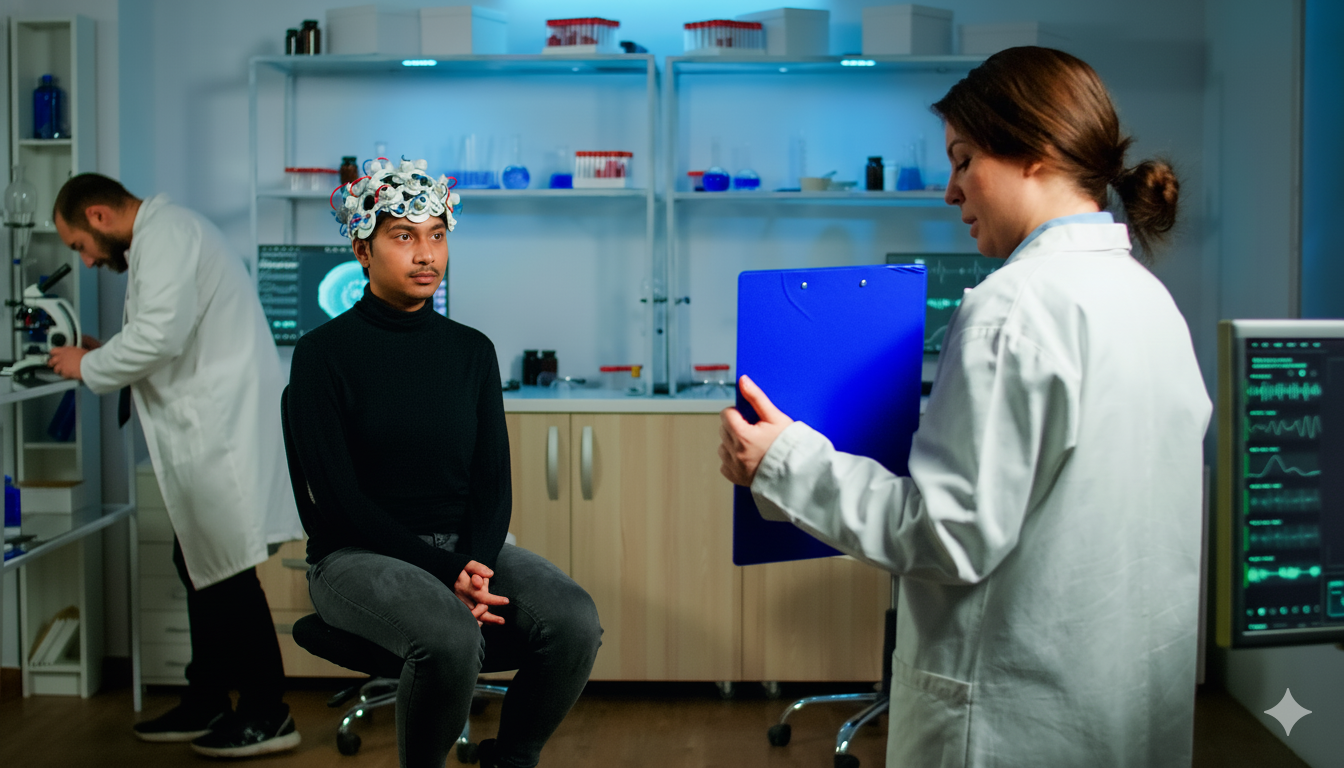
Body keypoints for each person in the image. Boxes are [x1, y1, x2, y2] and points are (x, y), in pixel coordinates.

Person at [719, 47, 1211, 767]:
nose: (950, 191)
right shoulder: (1150, 302)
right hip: (1119, 713)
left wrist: (783, 462)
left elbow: (948, 536)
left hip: (1012, 725)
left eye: (963, 159)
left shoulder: (1015, 306)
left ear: (1036, 152)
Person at [285, 158, 602, 768]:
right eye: (404, 236)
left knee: (573, 619)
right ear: (363, 248)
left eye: (437, 234)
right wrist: (445, 570)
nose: (426, 253)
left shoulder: (472, 352)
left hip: (463, 548)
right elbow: (341, 501)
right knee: (452, 637)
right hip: (355, 555)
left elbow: (492, 482)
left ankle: (512, 757)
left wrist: (474, 564)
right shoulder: (322, 357)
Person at [50, 174, 304, 757]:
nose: (85, 262)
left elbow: (158, 337)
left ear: (97, 216)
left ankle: (270, 711)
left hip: (220, 431)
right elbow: (160, 331)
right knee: (197, 559)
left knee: (228, 568)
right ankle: (208, 698)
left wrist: (84, 368)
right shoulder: (164, 235)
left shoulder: (167, 234)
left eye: (78, 247)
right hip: (213, 425)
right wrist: (97, 353)